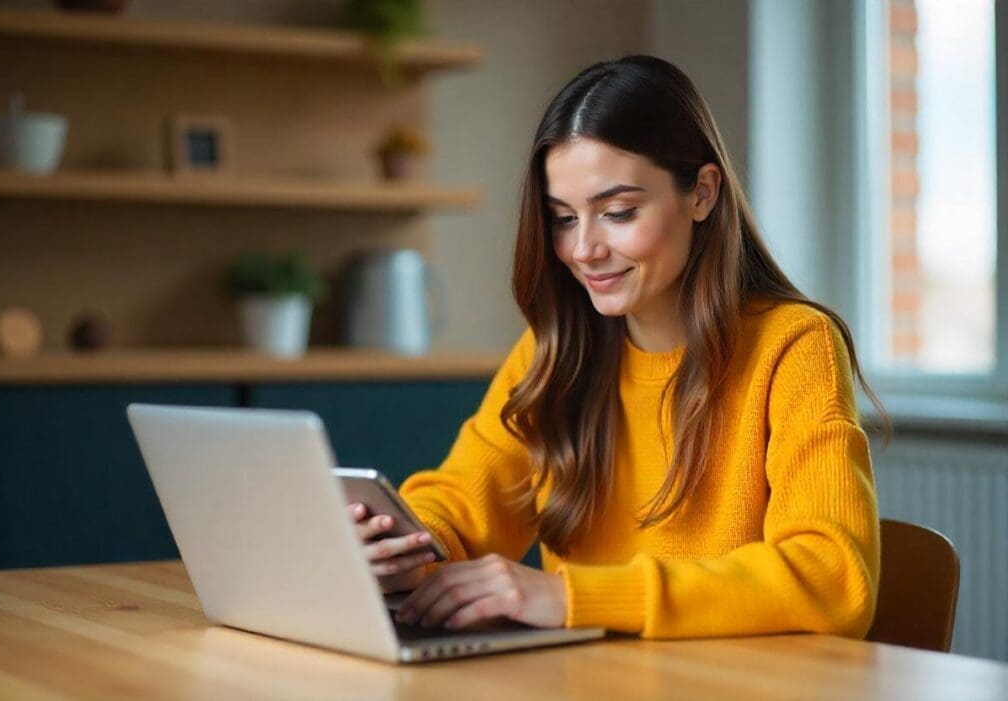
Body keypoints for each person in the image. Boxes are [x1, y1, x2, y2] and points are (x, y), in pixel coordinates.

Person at [347, 55, 883, 639]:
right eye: (562, 218)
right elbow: (460, 504)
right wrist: (400, 544)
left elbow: (833, 576)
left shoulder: (794, 346)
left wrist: (571, 596)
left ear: (702, 193)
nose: (584, 250)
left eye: (618, 213)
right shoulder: (556, 351)